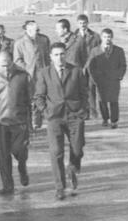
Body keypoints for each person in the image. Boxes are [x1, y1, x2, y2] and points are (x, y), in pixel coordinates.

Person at [33, 41, 90, 200]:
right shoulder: (44, 73)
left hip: (74, 115)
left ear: (66, 54)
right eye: (56, 55)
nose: (60, 58)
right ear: (51, 57)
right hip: (55, 117)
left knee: (77, 149)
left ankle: (72, 167)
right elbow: (39, 97)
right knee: (56, 152)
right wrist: (46, 112)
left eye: (62, 54)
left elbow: (85, 92)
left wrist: (83, 110)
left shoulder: (76, 71)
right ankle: (60, 187)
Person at [0, 50, 31, 195]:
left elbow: (30, 100)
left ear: (12, 62)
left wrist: (33, 121)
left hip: (19, 121)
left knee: (19, 150)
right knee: (3, 156)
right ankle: (8, 185)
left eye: (8, 64)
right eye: (2, 65)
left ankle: (22, 167)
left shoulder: (22, 76)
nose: (5, 68)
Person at [86, 28, 127, 128]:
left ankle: (114, 121)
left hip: (114, 80)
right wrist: (95, 79)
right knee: (102, 101)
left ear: (112, 37)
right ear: (101, 37)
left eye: (109, 37)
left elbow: (123, 65)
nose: (107, 39)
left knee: (114, 101)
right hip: (101, 80)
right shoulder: (95, 51)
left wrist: (119, 75)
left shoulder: (119, 51)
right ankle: (105, 118)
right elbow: (91, 66)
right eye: (105, 37)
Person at [13, 20, 51, 128]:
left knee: (42, 96)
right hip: (28, 75)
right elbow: (17, 60)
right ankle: (30, 123)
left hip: (43, 73)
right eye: (35, 30)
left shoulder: (44, 40)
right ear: (28, 30)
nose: (37, 32)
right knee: (29, 99)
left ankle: (40, 121)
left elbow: (48, 56)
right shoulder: (19, 43)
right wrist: (27, 69)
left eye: (38, 30)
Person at [75, 14, 103, 117]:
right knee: (80, 91)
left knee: (91, 90)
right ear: (77, 24)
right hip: (78, 68)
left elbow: (100, 51)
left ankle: (93, 111)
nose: (82, 25)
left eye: (84, 23)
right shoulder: (73, 36)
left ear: (88, 23)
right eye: (80, 23)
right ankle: (84, 112)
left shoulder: (95, 36)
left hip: (92, 67)